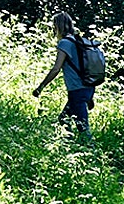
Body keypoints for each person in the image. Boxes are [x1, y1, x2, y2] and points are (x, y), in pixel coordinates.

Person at [32, 11, 94, 139]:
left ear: (58, 26)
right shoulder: (80, 41)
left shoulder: (65, 43)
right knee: (64, 119)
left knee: (83, 128)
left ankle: (92, 153)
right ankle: (70, 146)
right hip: (88, 87)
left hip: (77, 90)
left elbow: (56, 69)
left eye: (54, 27)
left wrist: (41, 87)